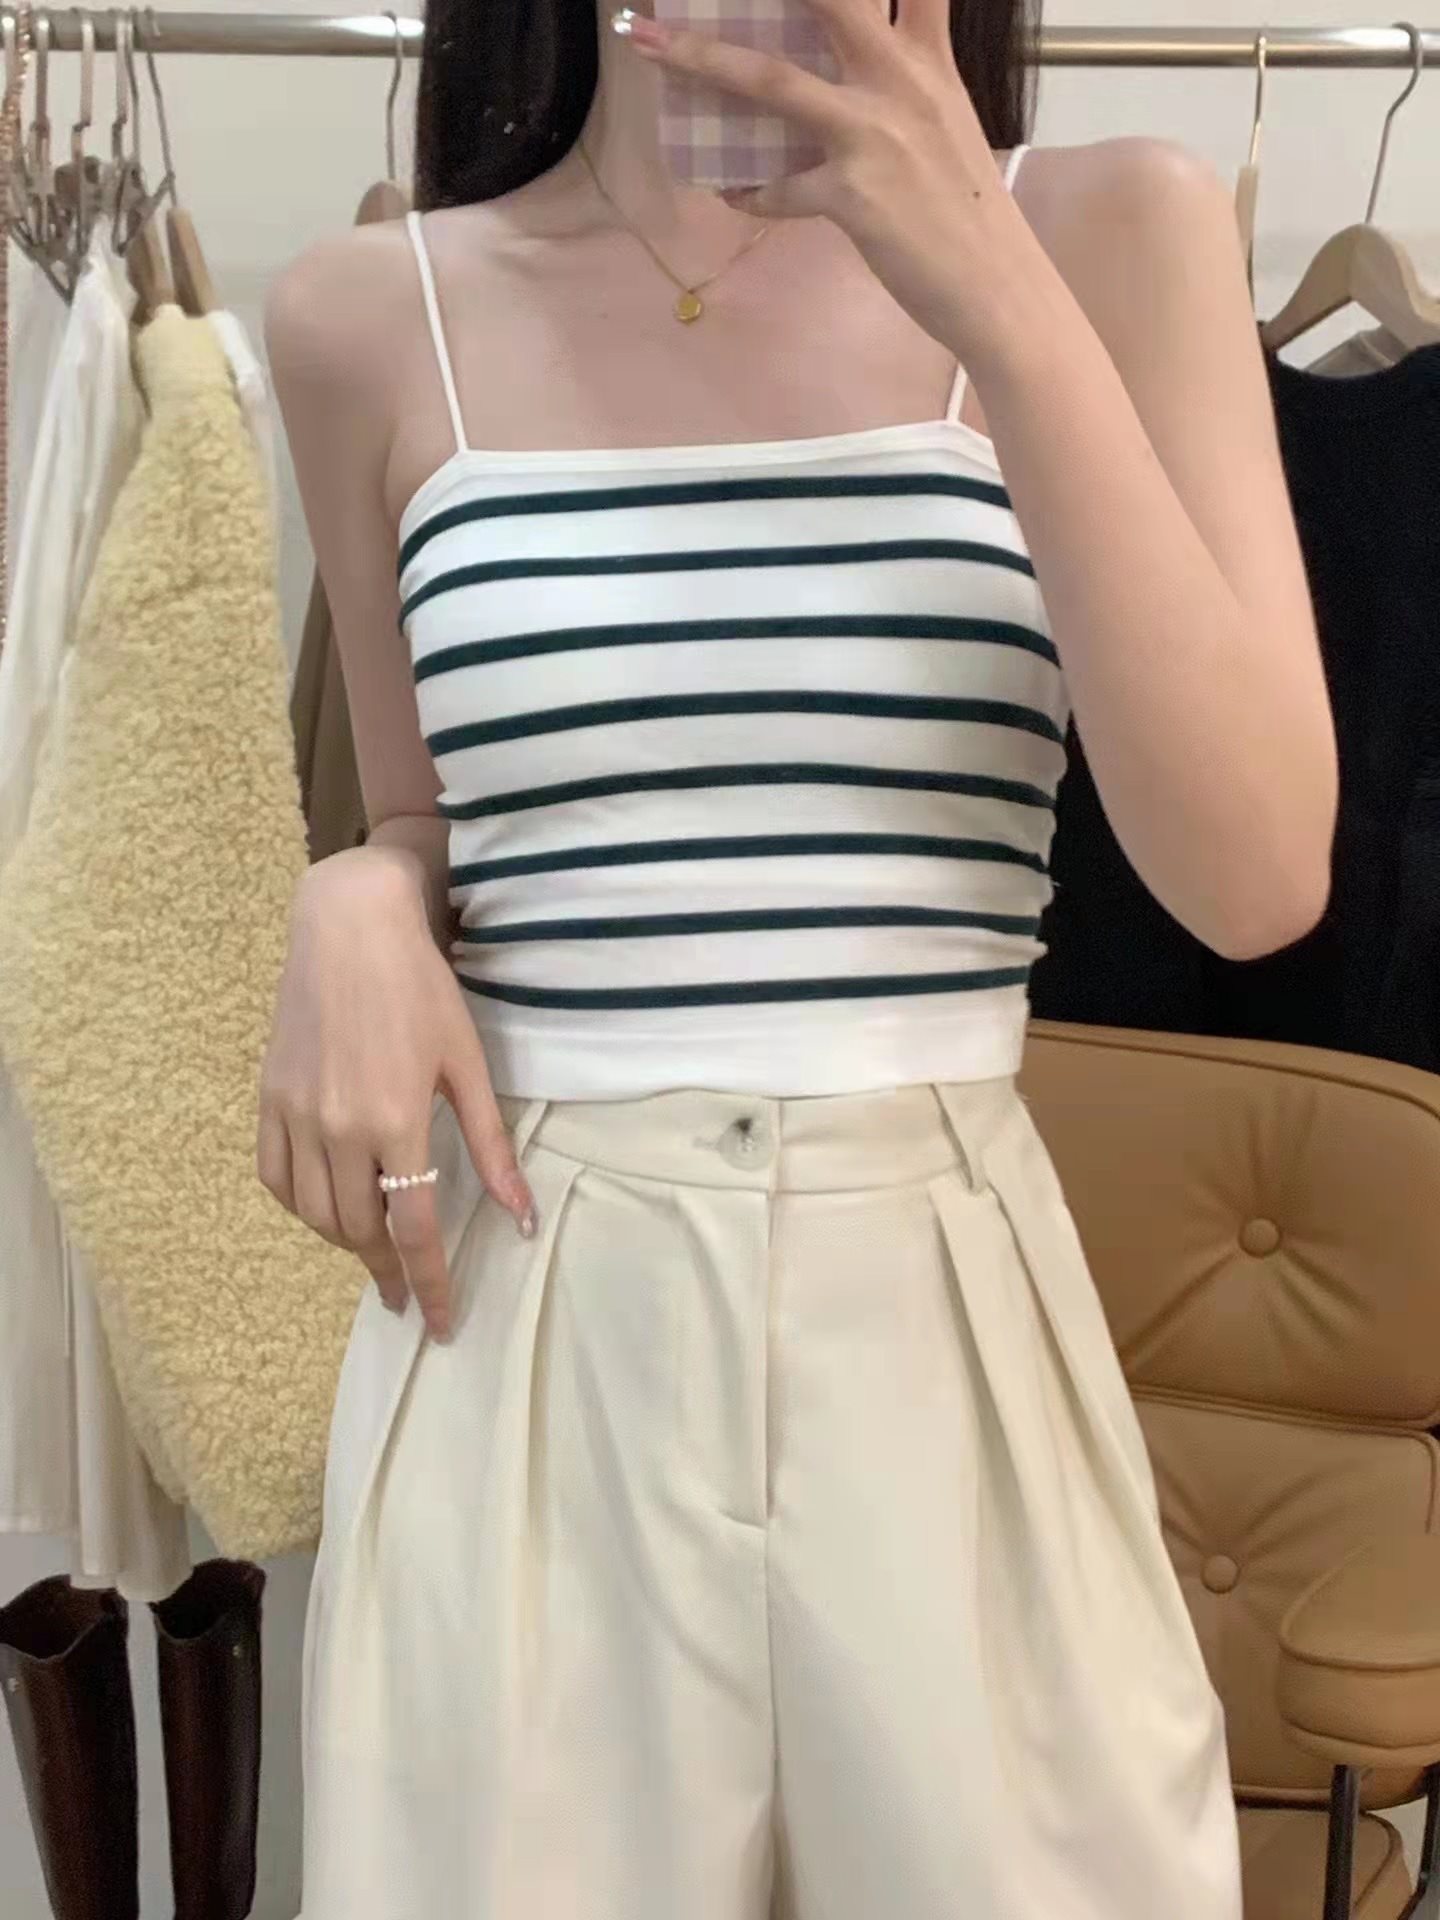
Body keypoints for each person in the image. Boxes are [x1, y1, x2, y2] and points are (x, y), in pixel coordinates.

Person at [264, 2, 1334, 1914]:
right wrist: (353, 890)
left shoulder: (1111, 230)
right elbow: (425, 822)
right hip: (533, 1327)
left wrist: (992, 287)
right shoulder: (368, 315)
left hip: (939, 1308)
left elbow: (1255, 880)